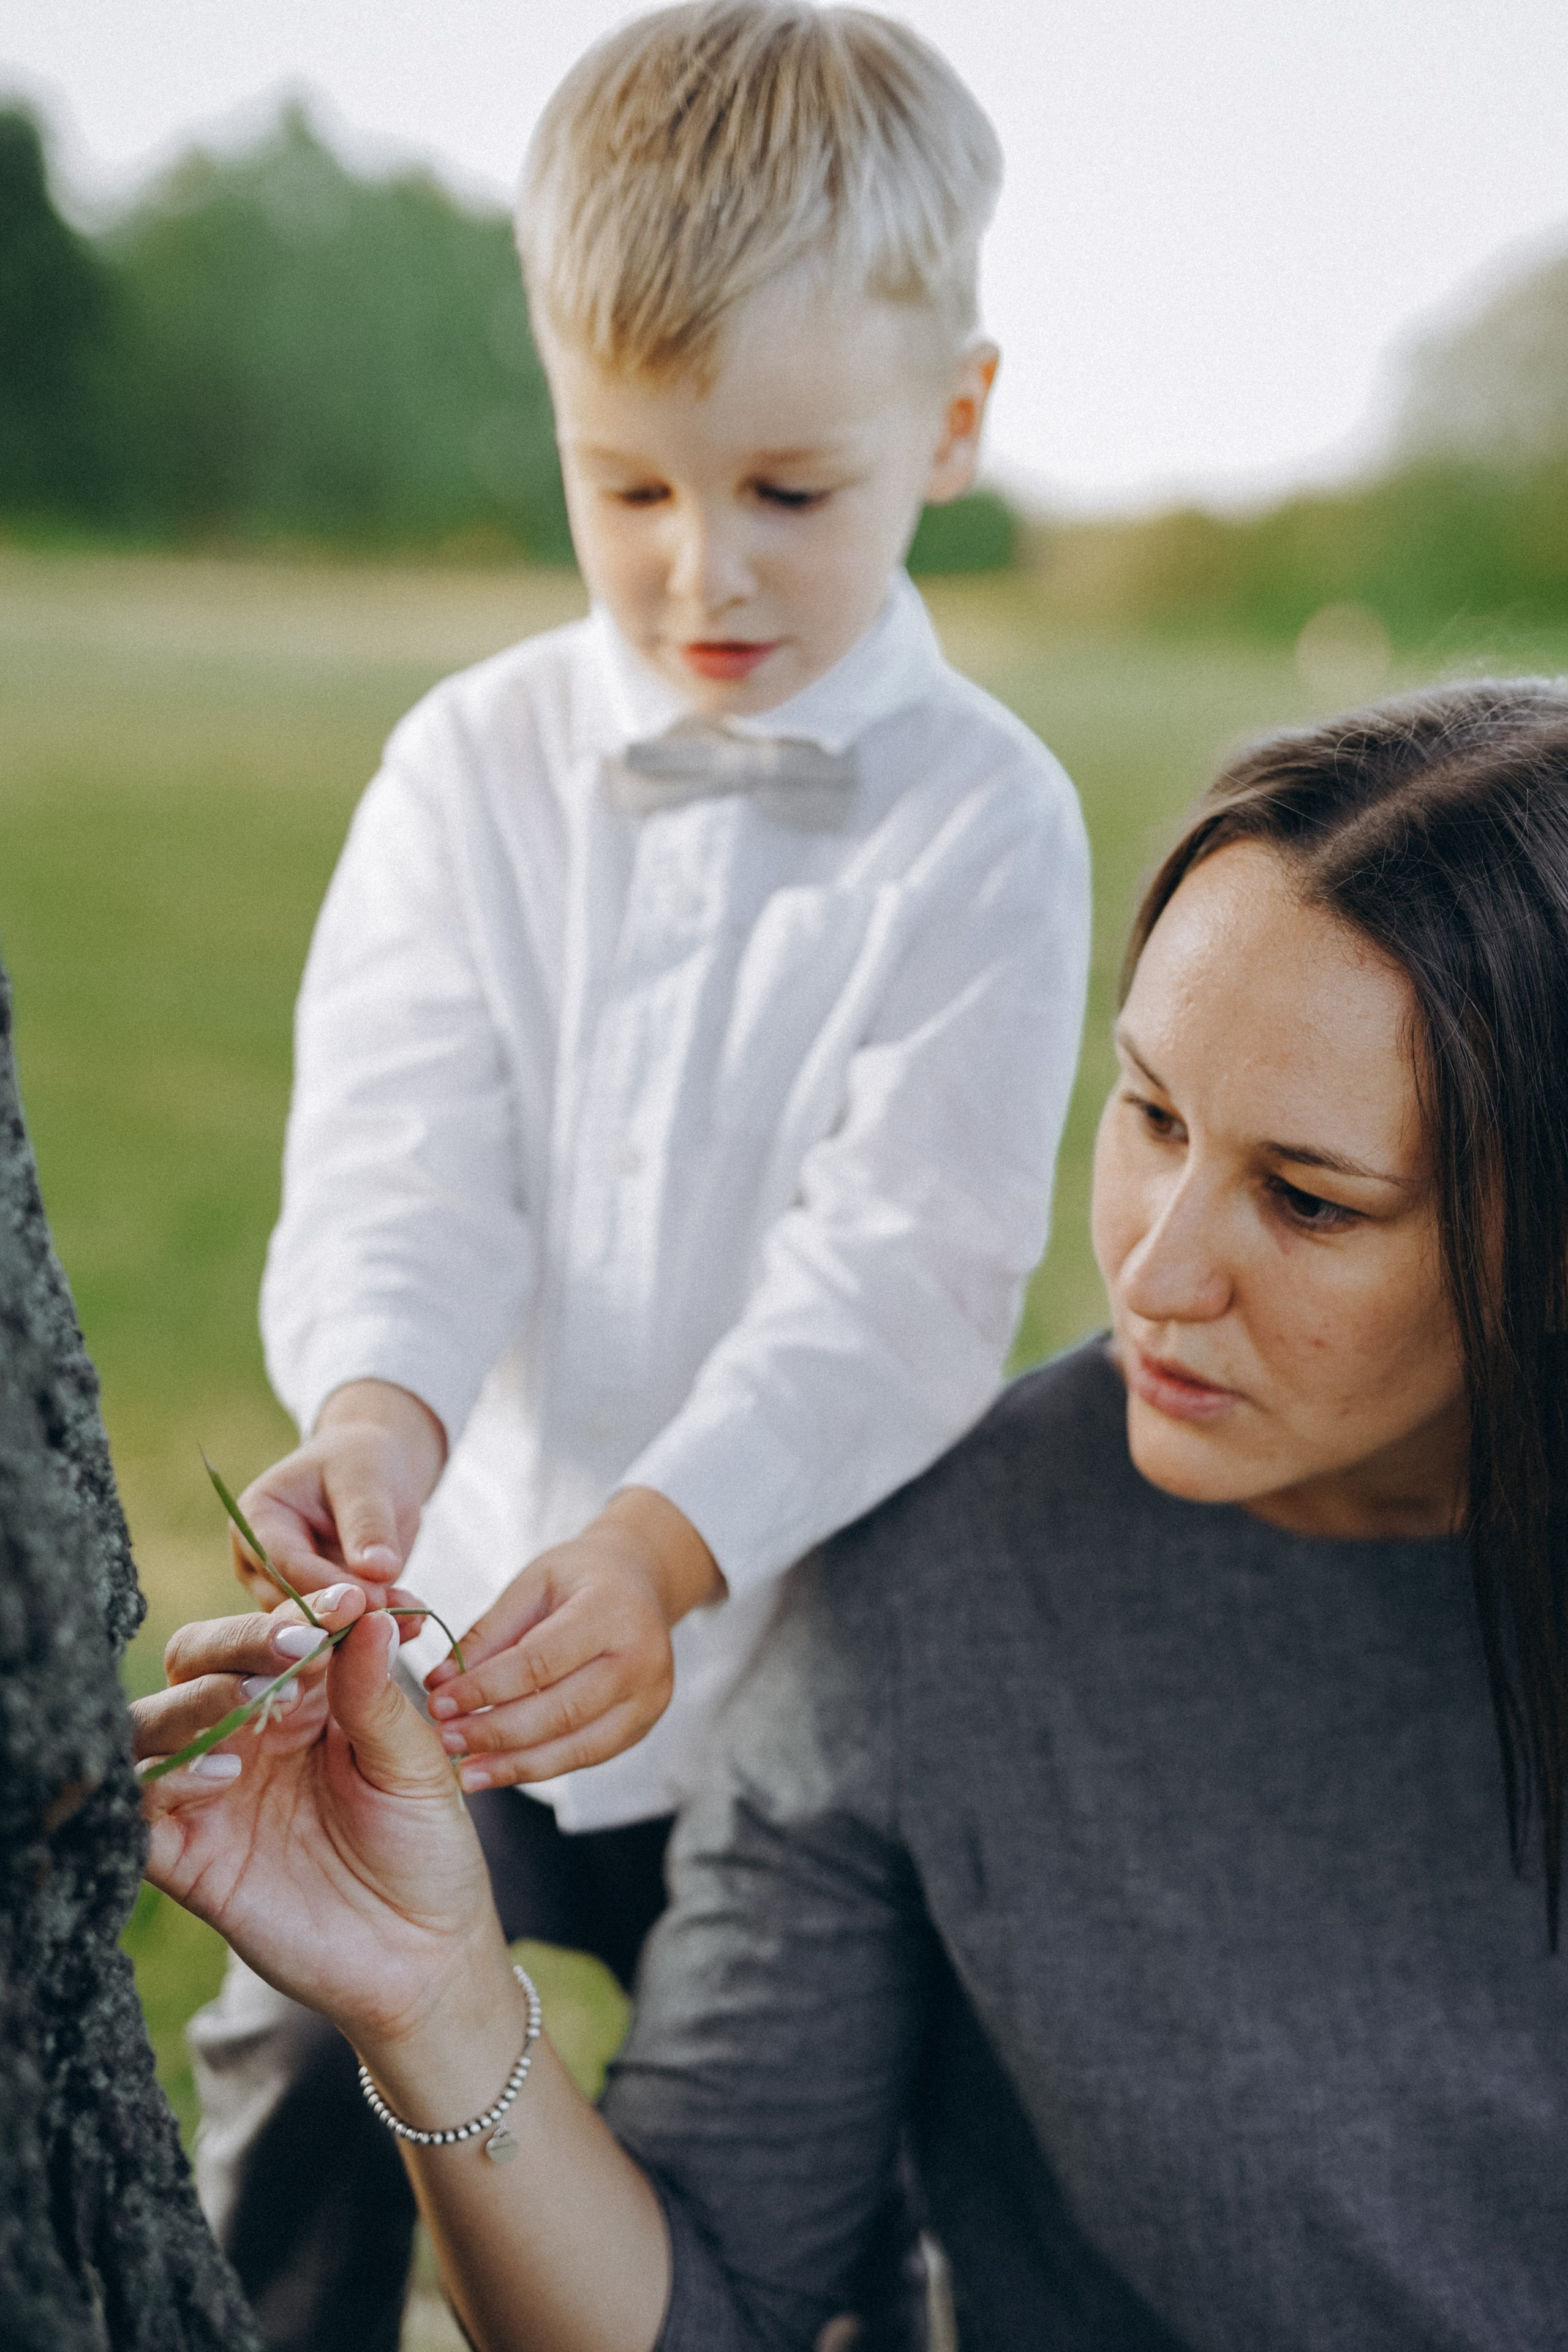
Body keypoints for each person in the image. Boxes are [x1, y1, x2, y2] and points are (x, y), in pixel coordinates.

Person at [141, 680, 1568, 2350]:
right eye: (1153, 1115)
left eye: (1310, 1201)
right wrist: (436, 2003)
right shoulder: (951, 1577)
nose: (1157, 1271)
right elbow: (709, 2311)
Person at [189, 6, 1090, 2345]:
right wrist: (380, 1405)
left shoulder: (990, 825)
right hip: (458, 1616)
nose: (704, 570)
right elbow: (405, 1140)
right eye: (629, 489)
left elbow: (903, 1269)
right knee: (305, 2047)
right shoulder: (466, 767)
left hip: (789, 1658)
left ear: (952, 425)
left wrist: (672, 1546)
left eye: (788, 492)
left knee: (805, 2185)